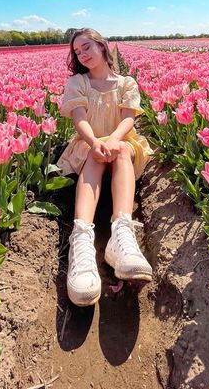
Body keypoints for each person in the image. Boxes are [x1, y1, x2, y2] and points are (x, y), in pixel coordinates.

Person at [58, 27, 154, 307]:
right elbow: (79, 119)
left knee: (122, 148)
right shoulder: (78, 82)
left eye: (86, 47)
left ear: (103, 46)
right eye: (77, 51)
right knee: (95, 153)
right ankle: (83, 236)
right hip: (89, 146)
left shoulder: (126, 83)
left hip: (121, 143)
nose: (82, 54)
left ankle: (122, 232)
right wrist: (96, 142)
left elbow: (128, 120)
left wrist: (112, 139)